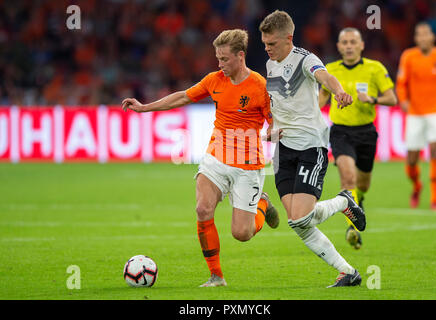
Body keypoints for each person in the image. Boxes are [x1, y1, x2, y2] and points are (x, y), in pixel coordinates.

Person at [122, 29, 280, 287]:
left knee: (242, 233)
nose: (220, 64)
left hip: (247, 165)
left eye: (225, 59)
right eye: (217, 58)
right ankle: (216, 276)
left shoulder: (260, 86)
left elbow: (275, 121)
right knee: (203, 208)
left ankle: (262, 204)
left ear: (240, 56)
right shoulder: (214, 79)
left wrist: (274, 131)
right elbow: (184, 96)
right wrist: (144, 107)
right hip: (215, 158)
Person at [259, 10, 366, 287]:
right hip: (282, 149)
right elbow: (278, 104)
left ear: (288, 38)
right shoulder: (270, 66)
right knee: (297, 221)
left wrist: (339, 90)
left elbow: (325, 77)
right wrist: (270, 130)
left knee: (301, 216)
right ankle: (348, 272)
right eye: (265, 43)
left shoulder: (306, 60)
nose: (267, 48)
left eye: (272, 43)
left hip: (310, 146)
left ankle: (344, 201)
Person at [318, 27, 397, 250]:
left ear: (362, 45)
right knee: (348, 178)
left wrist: (371, 99)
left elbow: (392, 98)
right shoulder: (330, 70)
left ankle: (357, 201)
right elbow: (321, 100)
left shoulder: (374, 68)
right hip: (341, 132)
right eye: (345, 42)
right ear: (339, 47)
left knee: (362, 183)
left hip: (366, 133)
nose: (349, 46)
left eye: (354, 42)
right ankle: (352, 227)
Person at [396, 22, 436, 211]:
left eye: (426, 34)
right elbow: (401, 83)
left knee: (435, 151)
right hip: (415, 113)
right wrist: (403, 100)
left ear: (432, 37)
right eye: (419, 35)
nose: (423, 37)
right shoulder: (409, 56)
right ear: (416, 38)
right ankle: (417, 186)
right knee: (411, 159)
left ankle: (435, 199)